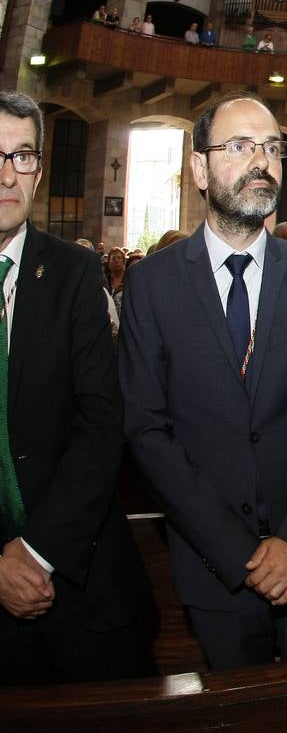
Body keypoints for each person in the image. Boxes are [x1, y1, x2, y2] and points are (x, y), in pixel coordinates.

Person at [121, 91, 287, 670]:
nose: (262, 161)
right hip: (214, 571)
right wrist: (240, 553)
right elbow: (148, 431)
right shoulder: (152, 286)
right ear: (200, 169)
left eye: (272, 147)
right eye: (239, 147)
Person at [0, 91, 156, 685]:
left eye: (22, 156)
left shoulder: (70, 271)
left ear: (38, 171)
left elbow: (100, 422)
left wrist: (33, 552)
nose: (7, 174)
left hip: (82, 579)